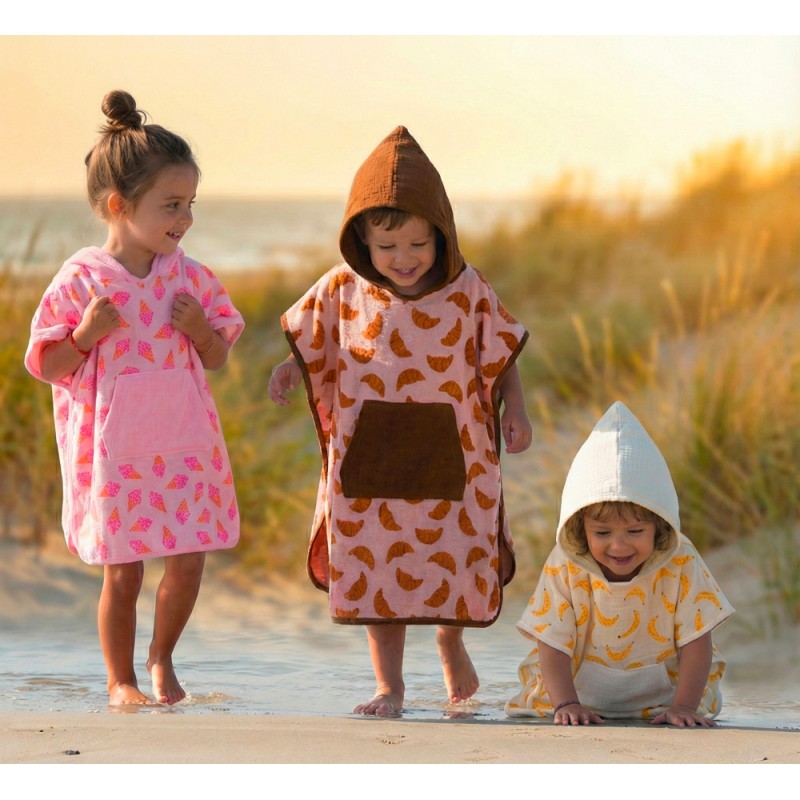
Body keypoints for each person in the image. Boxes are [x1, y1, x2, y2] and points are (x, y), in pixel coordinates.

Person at [269, 126, 532, 716]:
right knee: (375, 566)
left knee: (456, 551)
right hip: (371, 455)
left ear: (441, 234)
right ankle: (389, 685)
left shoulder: (467, 289)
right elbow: (312, 341)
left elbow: (501, 352)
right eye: (387, 247)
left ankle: (450, 640)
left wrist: (515, 408)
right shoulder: (342, 287)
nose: (404, 259)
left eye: (418, 243)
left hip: (453, 449)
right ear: (361, 240)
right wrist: (289, 368)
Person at [25, 90, 244, 707]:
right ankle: (120, 679)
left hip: (184, 445)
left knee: (190, 561)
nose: (185, 218)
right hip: (118, 453)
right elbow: (48, 365)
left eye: (190, 204)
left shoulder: (189, 275)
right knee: (124, 571)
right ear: (119, 206)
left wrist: (200, 330)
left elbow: (218, 355)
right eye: (172, 205)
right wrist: (85, 334)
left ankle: (161, 658)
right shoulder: (82, 279)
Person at [505, 401, 734, 727]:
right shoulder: (565, 564)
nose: (619, 545)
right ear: (580, 526)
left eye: (635, 531)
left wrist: (684, 706)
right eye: (602, 533)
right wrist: (566, 703)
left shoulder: (681, 560)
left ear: (658, 523)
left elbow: (697, 639)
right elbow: (551, 640)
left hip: (666, 700)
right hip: (575, 696)